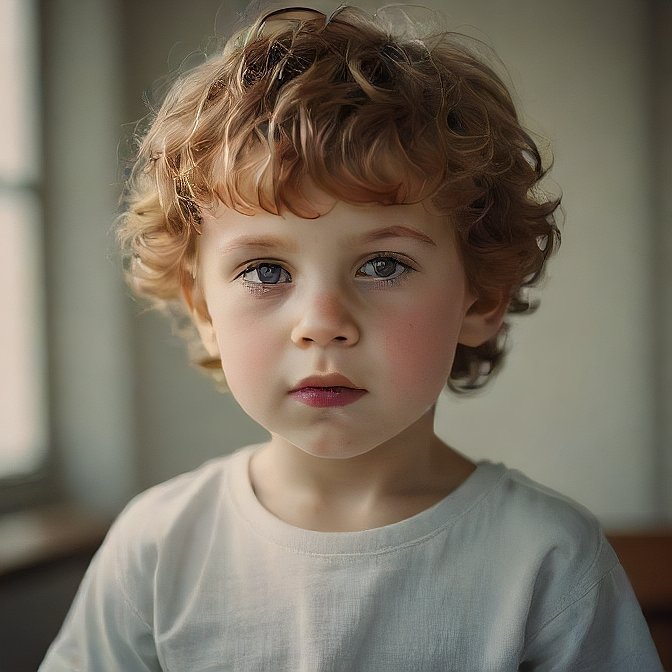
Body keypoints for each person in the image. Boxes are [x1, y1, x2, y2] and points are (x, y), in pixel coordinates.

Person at [40, 5, 663, 670]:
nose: (321, 322)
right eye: (266, 270)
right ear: (202, 308)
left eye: (383, 265)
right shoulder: (157, 549)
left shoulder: (547, 561)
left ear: (481, 297)